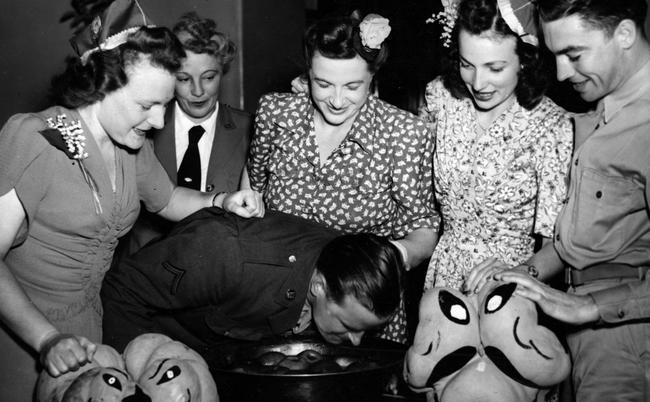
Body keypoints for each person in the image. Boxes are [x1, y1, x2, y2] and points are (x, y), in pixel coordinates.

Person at [0, 0, 262, 402]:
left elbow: (167, 200)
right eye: (148, 104)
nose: (160, 120)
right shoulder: (33, 139)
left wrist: (221, 201)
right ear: (100, 83)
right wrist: (47, 341)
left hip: (88, 334)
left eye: (164, 105)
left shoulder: (129, 143)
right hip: (24, 340)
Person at [482, 0, 650, 402]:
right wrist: (527, 273)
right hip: (586, 330)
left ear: (624, 35)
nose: (560, 72)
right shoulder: (602, 109)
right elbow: (585, 238)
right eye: (555, 55)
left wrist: (593, 307)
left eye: (574, 54)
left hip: (626, 337)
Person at [247, 12, 439, 344]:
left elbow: (423, 227)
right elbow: (252, 185)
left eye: (352, 86)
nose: (336, 101)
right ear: (308, 71)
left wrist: (394, 256)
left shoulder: (404, 134)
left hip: (360, 315)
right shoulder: (275, 114)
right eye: (322, 84)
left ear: (373, 77)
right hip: (276, 300)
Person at [419, 0, 573, 292]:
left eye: (495, 68)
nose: (478, 83)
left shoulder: (552, 125)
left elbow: (559, 246)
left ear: (525, 59)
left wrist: (519, 273)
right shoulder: (441, 98)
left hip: (512, 289)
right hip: (444, 278)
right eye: (467, 65)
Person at [102, 208, 404, 352]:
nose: (356, 341)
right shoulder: (226, 251)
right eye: (350, 327)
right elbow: (120, 292)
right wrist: (145, 364)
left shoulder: (343, 258)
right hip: (166, 337)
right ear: (319, 287)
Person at [124, 12, 253, 255]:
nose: (198, 91)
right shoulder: (143, 127)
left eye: (209, 77)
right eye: (184, 79)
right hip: (146, 265)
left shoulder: (251, 129)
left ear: (222, 71)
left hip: (219, 265)